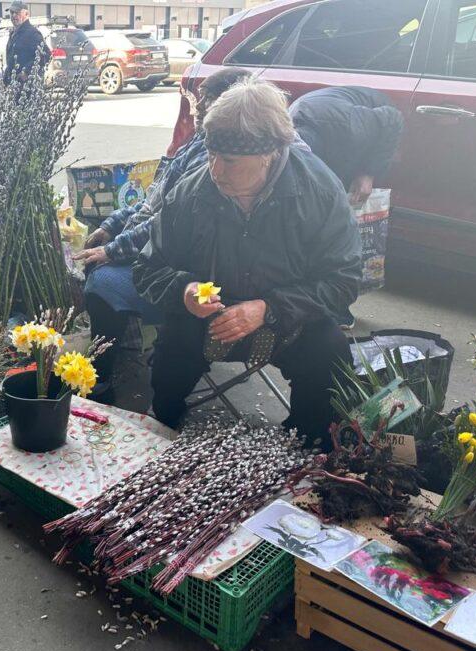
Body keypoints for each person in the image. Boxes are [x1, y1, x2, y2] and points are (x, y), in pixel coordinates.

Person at [134, 78, 361, 447]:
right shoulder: (191, 193)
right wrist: (185, 290)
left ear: (269, 154)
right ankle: (164, 432)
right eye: (211, 156)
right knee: (169, 369)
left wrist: (268, 308)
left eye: (230, 161)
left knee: (330, 356)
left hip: (290, 321)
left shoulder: (318, 191)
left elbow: (345, 280)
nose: (215, 171)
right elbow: (147, 268)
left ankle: (301, 448)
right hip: (204, 321)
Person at [75, 68, 253, 402]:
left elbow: (165, 224)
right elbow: (153, 198)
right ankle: (116, 363)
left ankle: (99, 379)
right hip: (164, 261)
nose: (196, 110)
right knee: (96, 266)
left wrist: (113, 251)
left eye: (205, 104)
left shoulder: (215, 161)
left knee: (101, 280)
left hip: (183, 274)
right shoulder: (195, 145)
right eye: (198, 102)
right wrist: (110, 225)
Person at [289, 86, 404, 208]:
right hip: (326, 120)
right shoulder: (286, 134)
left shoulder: (351, 126)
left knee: (356, 192)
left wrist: (368, 173)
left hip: (378, 124)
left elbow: (393, 119)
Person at [3, 1, 50, 85]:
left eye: (17, 12)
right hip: (13, 84)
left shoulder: (32, 33)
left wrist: (27, 72)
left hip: (27, 86)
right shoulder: (14, 33)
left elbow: (46, 55)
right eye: (12, 12)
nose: (14, 15)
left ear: (26, 14)